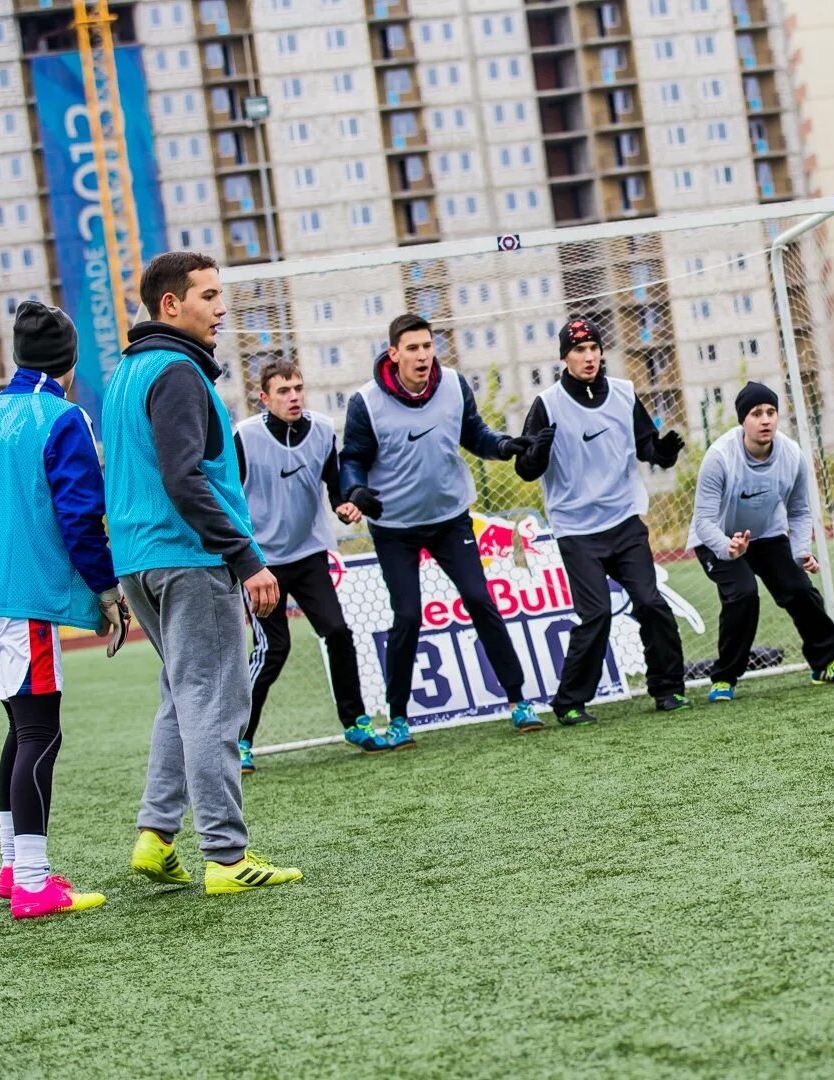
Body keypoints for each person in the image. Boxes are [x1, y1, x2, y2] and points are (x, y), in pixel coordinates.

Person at [103, 251, 302, 893]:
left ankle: (156, 838)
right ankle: (226, 857)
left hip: (140, 562)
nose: (222, 309)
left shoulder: (125, 375)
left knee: (179, 694)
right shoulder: (180, 374)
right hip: (189, 559)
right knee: (215, 700)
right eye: (210, 296)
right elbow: (183, 478)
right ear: (171, 304)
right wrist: (246, 557)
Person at [0, 302, 128, 919]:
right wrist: (106, 592)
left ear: (19, 355)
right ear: (70, 362)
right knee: (41, 731)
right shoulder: (62, 416)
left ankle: (12, 865)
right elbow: (79, 516)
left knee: (20, 728)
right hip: (21, 600)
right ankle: (35, 882)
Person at [339, 313, 542, 741]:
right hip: (394, 528)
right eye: (412, 348)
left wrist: (506, 445)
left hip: (450, 519)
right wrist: (356, 491)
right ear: (394, 354)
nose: (422, 355)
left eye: (427, 346)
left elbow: (476, 435)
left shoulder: (452, 385)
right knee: (408, 615)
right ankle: (398, 719)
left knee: (479, 599)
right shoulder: (366, 402)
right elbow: (352, 459)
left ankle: (519, 701)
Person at [513, 317, 690, 725]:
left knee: (650, 602)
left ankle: (668, 689)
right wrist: (536, 453)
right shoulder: (549, 404)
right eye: (579, 350)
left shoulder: (625, 394)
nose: (588, 356)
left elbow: (646, 446)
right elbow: (525, 468)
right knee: (596, 614)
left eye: (594, 348)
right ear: (565, 358)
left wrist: (662, 453)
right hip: (576, 529)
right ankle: (570, 703)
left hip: (624, 520)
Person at [234, 358, 390, 772]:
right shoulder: (244, 437)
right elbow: (227, 497)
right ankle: (239, 740)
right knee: (273, 650)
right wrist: (241, 558)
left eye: (298, 388)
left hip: (307, 554)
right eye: (283, 391)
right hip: (261, 563)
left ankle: (355, 722)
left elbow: (334, 483)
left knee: (338, 631)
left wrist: (347, 506)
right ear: (264, 398)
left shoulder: (322, 429)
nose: (294, 397)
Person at [687, 382, 834, 702]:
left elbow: (799, 510)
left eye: (770, 412)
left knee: (800, 590)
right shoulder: (720, 457)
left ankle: (824, 664)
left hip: (766, 534)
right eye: (756, 414)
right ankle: (724, 679)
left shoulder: (792, 455)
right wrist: (728, 547)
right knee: (743, 594)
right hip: (718, 539)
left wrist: (801, 552)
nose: (765, 420)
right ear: (742, 421)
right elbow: (703, 521)